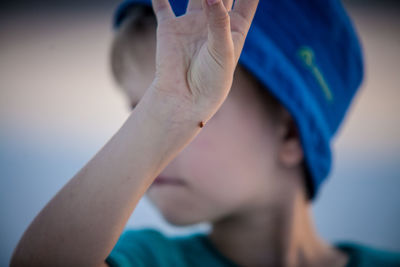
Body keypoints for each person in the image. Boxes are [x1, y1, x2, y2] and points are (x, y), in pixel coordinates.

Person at [10, 0, 400, 266]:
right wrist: (159, 116)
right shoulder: (148, 259)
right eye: (141, 110)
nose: (163, 129)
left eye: (198, 104)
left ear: (289, 136)